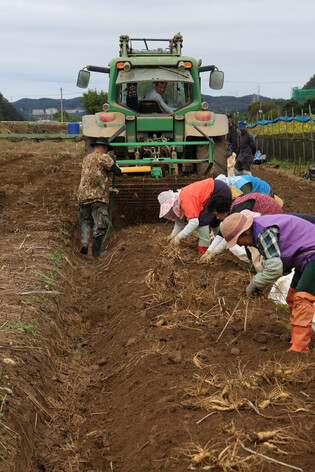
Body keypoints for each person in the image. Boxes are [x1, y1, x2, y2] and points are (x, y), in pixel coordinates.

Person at [220, 211, 315, 353]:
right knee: (292, 295)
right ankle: (296, 338)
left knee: (302, 299)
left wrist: (254, 284)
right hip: (304, 258)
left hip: (311, 255)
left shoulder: (263, 232)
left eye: (237, 240)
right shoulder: (260, 230)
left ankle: (299, 348)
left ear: (245, 232)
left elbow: (274, 268)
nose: (239, 245)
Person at [199, 192, 283, 264]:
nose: (217, 218)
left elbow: (230, 236)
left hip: (271, 214)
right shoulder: (232, 208)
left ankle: (260, 265)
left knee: (251, 240)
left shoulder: (237, 211)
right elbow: (222, 233)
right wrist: (209, 251)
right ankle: (253, 263)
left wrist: (214, 252)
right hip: (262, 214)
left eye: (217, 214)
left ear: (223, 210)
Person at [158, 178, 231, 253]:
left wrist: (179, 237)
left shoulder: (185, 200)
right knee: (213, 222)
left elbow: (194, 222)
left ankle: (204, 250)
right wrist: (172, 235)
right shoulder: (180, 198)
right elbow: (179, 223)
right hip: (216, 189)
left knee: (203, 221)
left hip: (218, 190)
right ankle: (221, 244)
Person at [77, 137, 122, 258]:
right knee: (100, 224)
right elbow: (118, 172)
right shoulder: (104, 157)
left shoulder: (86, 158)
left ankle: (85, 242)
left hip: (82, 196)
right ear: (105, 148)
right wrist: (115, 166)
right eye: (106, 149)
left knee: (85, 220)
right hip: (98, 197)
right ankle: (96, 253)